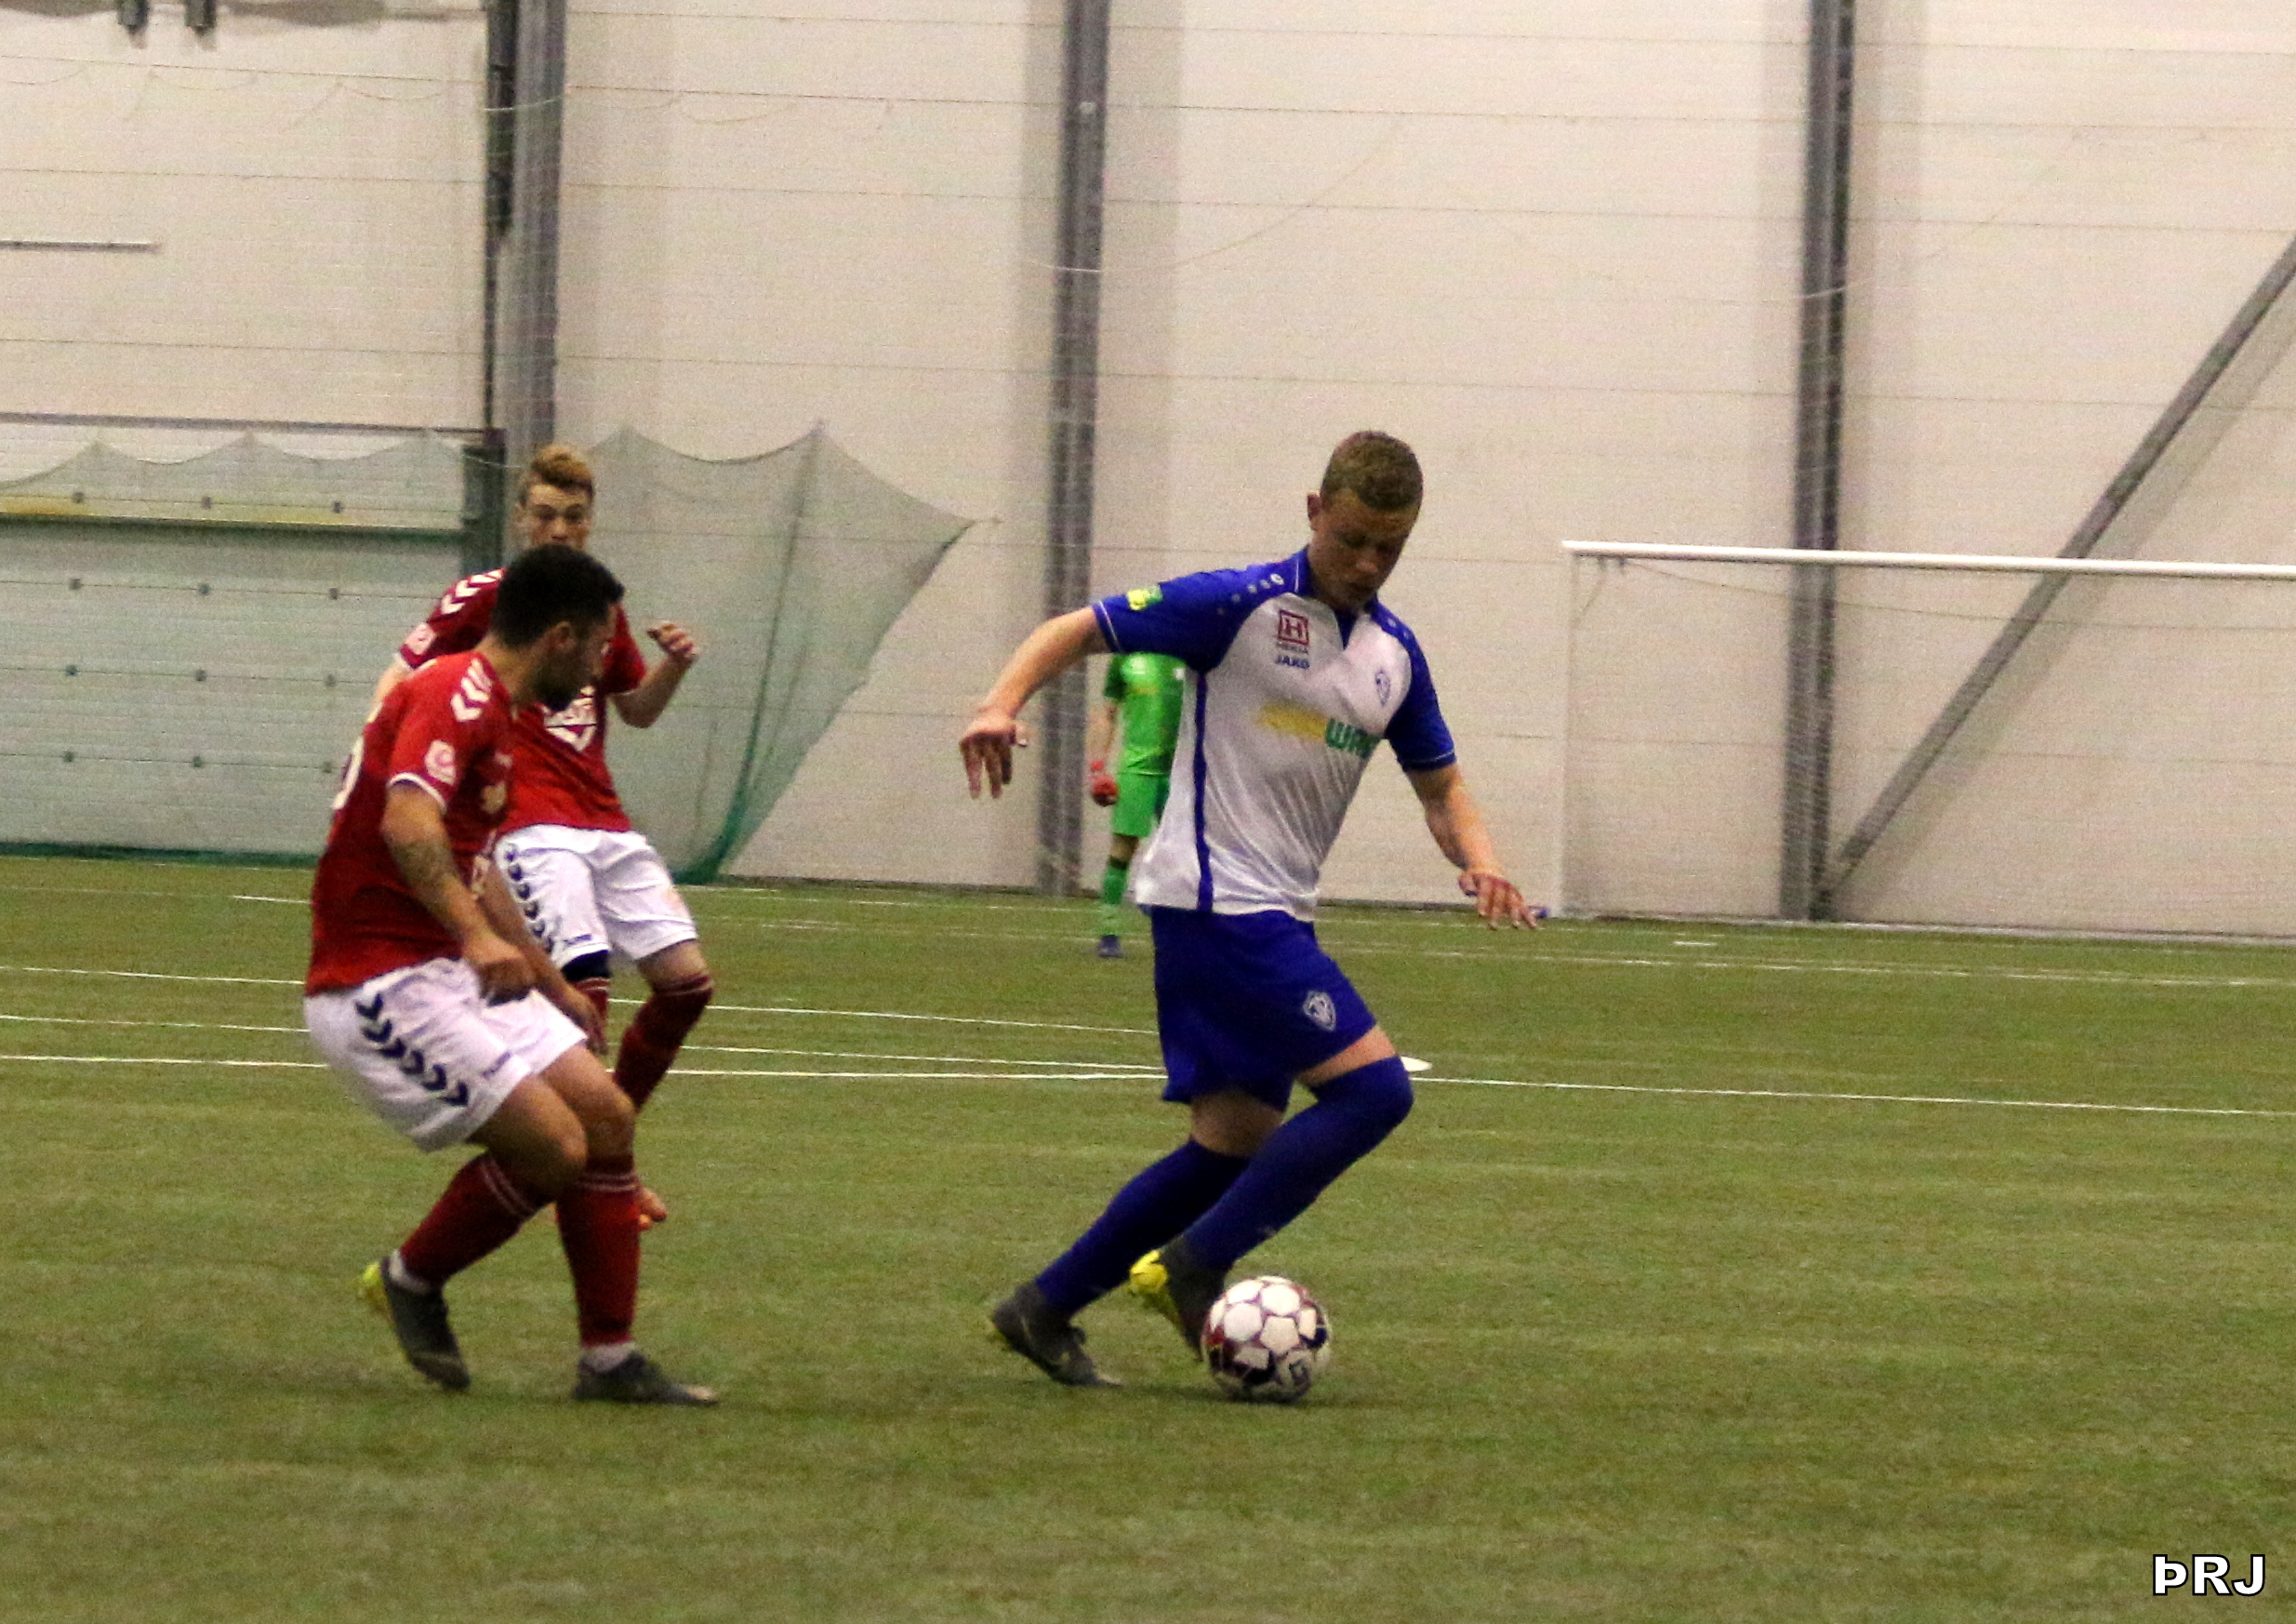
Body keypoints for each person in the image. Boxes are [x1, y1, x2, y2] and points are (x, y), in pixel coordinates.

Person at [963, 431, 1536, 1387]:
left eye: (1389, 548)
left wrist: (1482, 863)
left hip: (1271, 910)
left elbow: (1440, 786)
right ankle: (1192, 1267)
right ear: (1314, 511)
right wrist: (999, 703)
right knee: (1375, 1094)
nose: (1367, 563)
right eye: (1351, 539)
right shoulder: (1236, 606)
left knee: (1229, 1144)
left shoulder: (1394, 656)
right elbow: (1077, 627)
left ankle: (1042, 1307)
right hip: (1218, 902)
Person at [307, 543, 716, 1404]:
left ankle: (610, 1361)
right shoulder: (453, 690)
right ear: (561, 637)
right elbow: (408, 824)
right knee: (556, 1148)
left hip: (447, 967)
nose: (602, 668)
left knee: (606, 1116)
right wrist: (476, 939)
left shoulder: (498, 713)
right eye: (598, 646)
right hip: (379, 982)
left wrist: (548, 980)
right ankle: (411, 1279)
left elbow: (479, 865)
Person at [373, 445, 711, 1230]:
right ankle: (605, 1171)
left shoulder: (599, 608)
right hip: (528, 823)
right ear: (521, 518)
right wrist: (398, 769)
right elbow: (397, 680)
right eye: (546, 515)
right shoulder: (489, 599)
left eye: (574, 517)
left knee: (687, 983)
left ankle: (606, 1147)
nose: (559, 530)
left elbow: (635, 709)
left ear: (591, 523)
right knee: (583, 997)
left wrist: (673, 668)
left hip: (604, 819)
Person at [1085, 650, 1186, 958]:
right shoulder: (1125, 657)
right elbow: (1107, 713)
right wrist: (1098, 768)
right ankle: (1109, 932)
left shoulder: (1187, 651)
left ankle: (1153, 897)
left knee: (1186, 851)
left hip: (1180, 771)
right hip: (1136, 770)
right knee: (1123, 848)